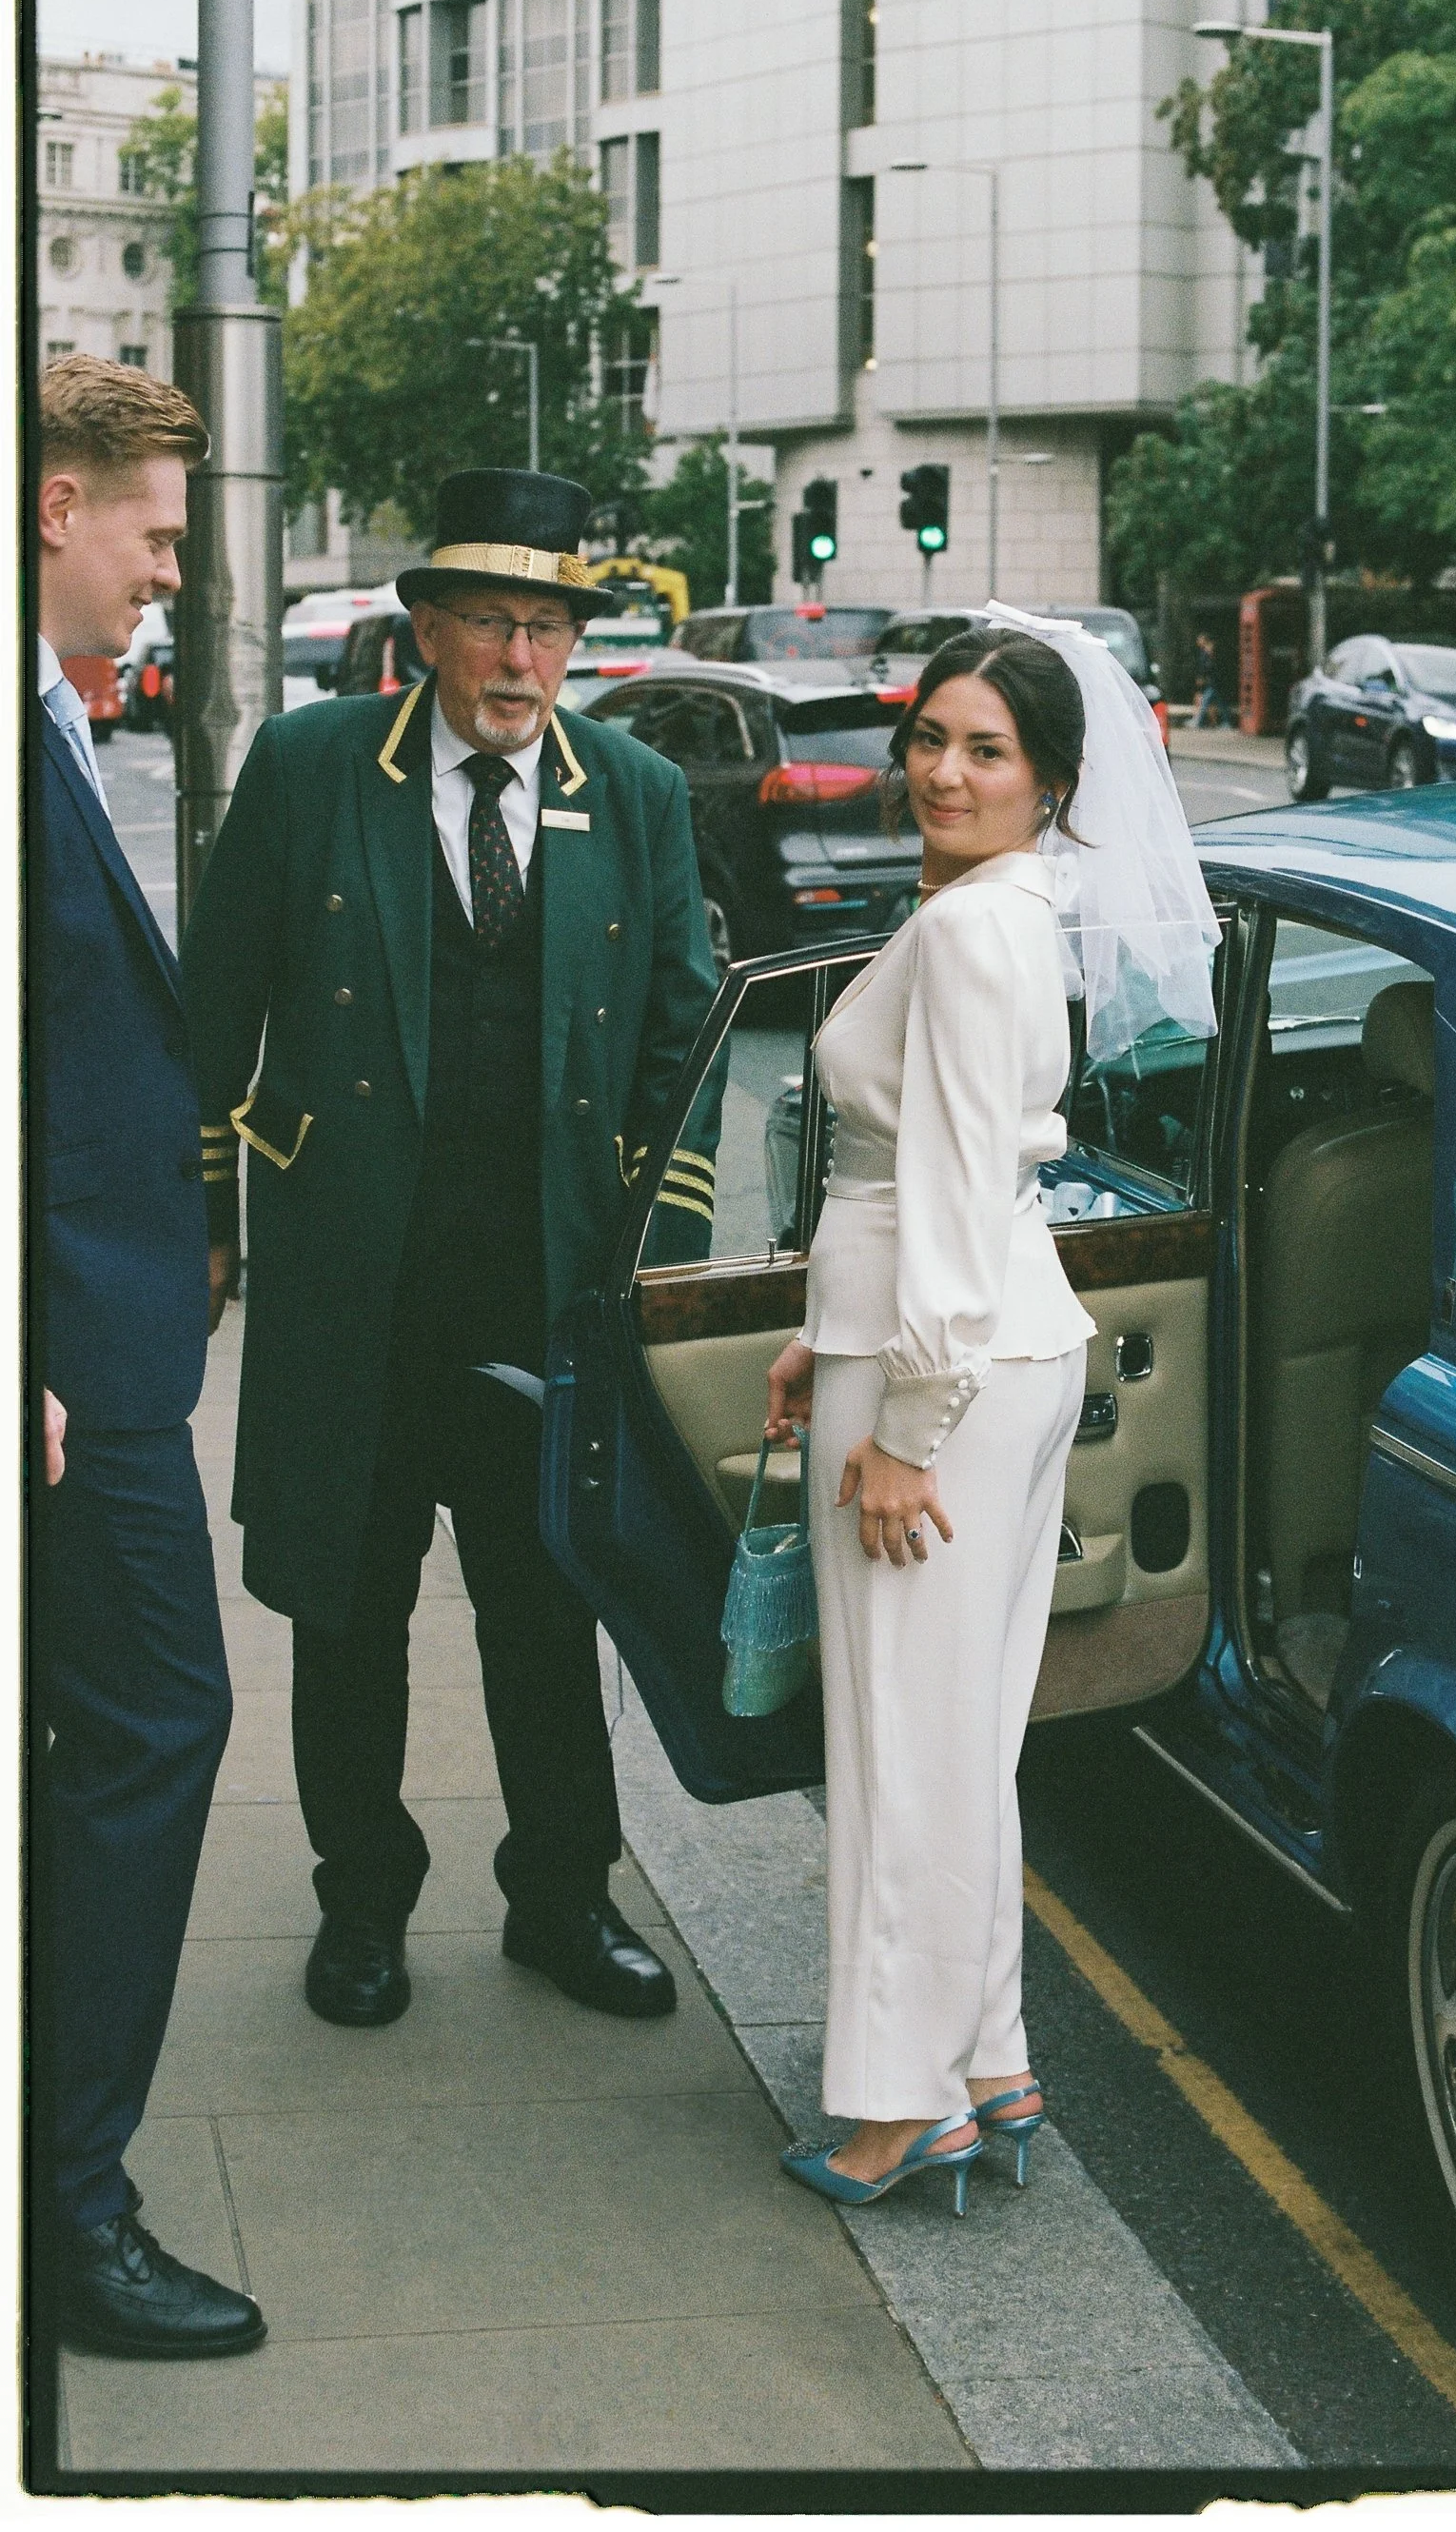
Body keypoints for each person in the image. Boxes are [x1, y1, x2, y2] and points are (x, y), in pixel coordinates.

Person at [181, 469, 718, 2033]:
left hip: (546, 1297)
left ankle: (560, 1901)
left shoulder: (632, 791)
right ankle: (362, 1910)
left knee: (551, 1615)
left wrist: (650, 1274)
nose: (521, 658)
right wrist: (210, 1226)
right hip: (358, 1286)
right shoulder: (308, 766)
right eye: (491, 621)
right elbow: (212, 1018)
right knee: (346, 1617)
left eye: (549, 627)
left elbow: (685, 1043)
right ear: (421, 629)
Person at [765, 603, 1219, 2211]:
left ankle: (900, 2108)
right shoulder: (1011, 911)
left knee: (904, 1743)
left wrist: (905, 1424)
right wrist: (836, 1339)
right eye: (931, 739)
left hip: (947, 1365)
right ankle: (986, 2060)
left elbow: (951, 1189)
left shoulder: (969, 929)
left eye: (988, 750)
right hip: (986, 1339)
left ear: (1052, 780)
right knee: (963, 1742)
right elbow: (967, 1180)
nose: (942, 771)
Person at [30, 353, 265, 2357]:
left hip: (96, 1330)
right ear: (53, 505)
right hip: (57, 1370)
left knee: (84, 1745)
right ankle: (68, 2214)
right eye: (156, 537)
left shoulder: (59, 718)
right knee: (152, 1729)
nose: (167, 579)